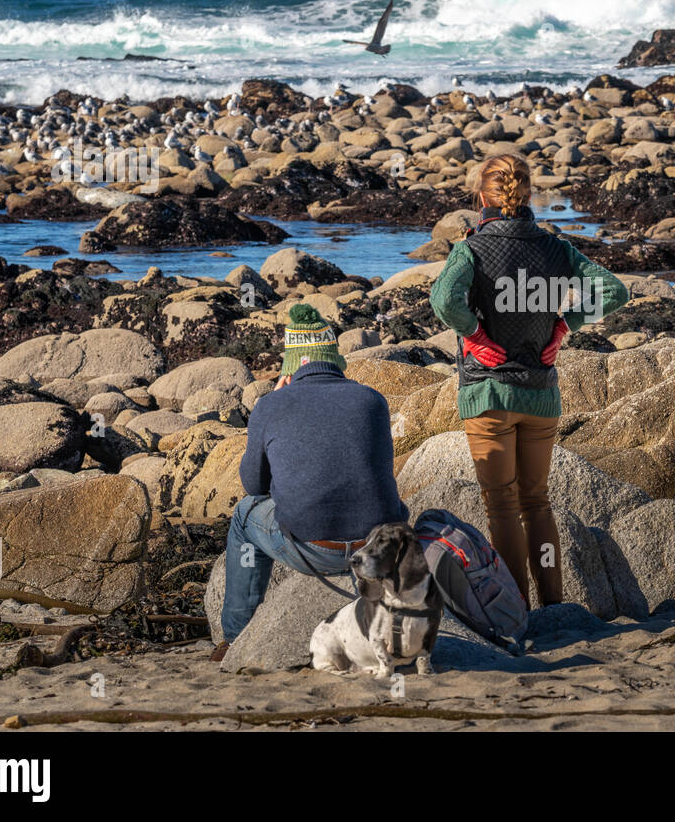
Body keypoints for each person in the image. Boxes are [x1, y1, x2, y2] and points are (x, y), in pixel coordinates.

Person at [429, 154, 629, 608]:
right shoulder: (555, 248)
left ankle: (517, 608)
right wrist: (566, 324)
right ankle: (554, 605)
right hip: (541, 393)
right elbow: (615, 290)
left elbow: (443, 301)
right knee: (536, 503)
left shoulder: (472, 248)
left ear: (483, 196)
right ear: (527, 194)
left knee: (501, 507)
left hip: (489, 393)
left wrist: (476, 335)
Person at [213, 303, 407, 661]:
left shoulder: (270, 405)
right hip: (378, 547)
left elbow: (253, 485)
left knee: (243, 515)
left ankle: (235, 640)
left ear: (291, 365)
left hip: (314, 548)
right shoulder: (372, 400)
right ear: (333, 359)